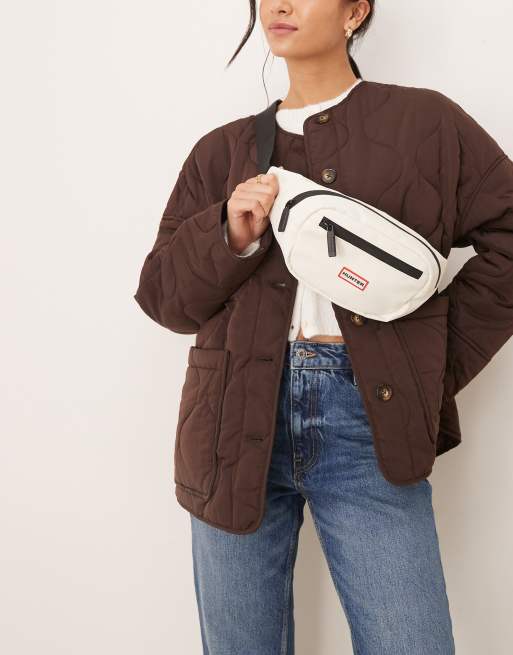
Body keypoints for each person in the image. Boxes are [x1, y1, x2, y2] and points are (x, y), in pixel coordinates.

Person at [133, 1, 513, 652]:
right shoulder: (221, 151)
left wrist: (424, 363)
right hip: (229, 426)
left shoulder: (426, 124)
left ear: (354, 12)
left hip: (370, 419)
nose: (278, 5)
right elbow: (164, 299)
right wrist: (228, 235)